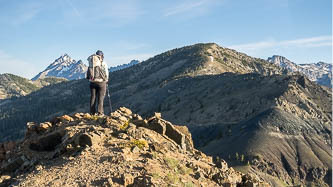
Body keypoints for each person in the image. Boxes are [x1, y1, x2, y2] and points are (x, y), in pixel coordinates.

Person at [86, 50, 109, 116]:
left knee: (93, 97)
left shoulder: (91, 62)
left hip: (92, 82)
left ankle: (92, 113)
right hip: (101, 82)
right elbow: (106, 73)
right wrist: (106, 80)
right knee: (100, 98)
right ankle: (100, 113)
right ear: (102, 56)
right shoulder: (103, 63)